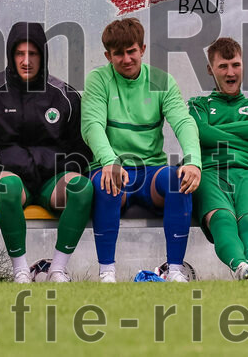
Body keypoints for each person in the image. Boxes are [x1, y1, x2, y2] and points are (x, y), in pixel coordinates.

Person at [0, 22, 93, 283]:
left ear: (42, 56)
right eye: (20, 54)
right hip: (8, 179)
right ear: (11, 55)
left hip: (51, 182)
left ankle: (57, 269)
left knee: (83, 188)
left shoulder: (64, 95)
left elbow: (80, 147)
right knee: (8, 185)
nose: (26, 61)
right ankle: (20, 270)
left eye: (33, 54)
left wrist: (65, 167)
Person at [82, 17, 202, 283]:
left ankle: (175, 271)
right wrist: (110, 161)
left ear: (143, 49)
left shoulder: (161, 80)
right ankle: (107, 274)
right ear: (107, 55)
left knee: (176, 179)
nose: (126, 59)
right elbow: (92, 126)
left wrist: (193, 161)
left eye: (131, 51)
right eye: (118, 54)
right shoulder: (98, 79)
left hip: (150, 174)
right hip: (114, 169)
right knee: (105, 181)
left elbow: (183, 121)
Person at [187, 37, 248, 281]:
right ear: (210, 70)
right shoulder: (198, 105)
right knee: (222, 218)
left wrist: (217, 135)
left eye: (235, 65)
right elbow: (201, 133)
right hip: (211, 174)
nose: (230, 72)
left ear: (243, 66)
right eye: (223, 66)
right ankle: (241, 267)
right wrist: (246, 140)